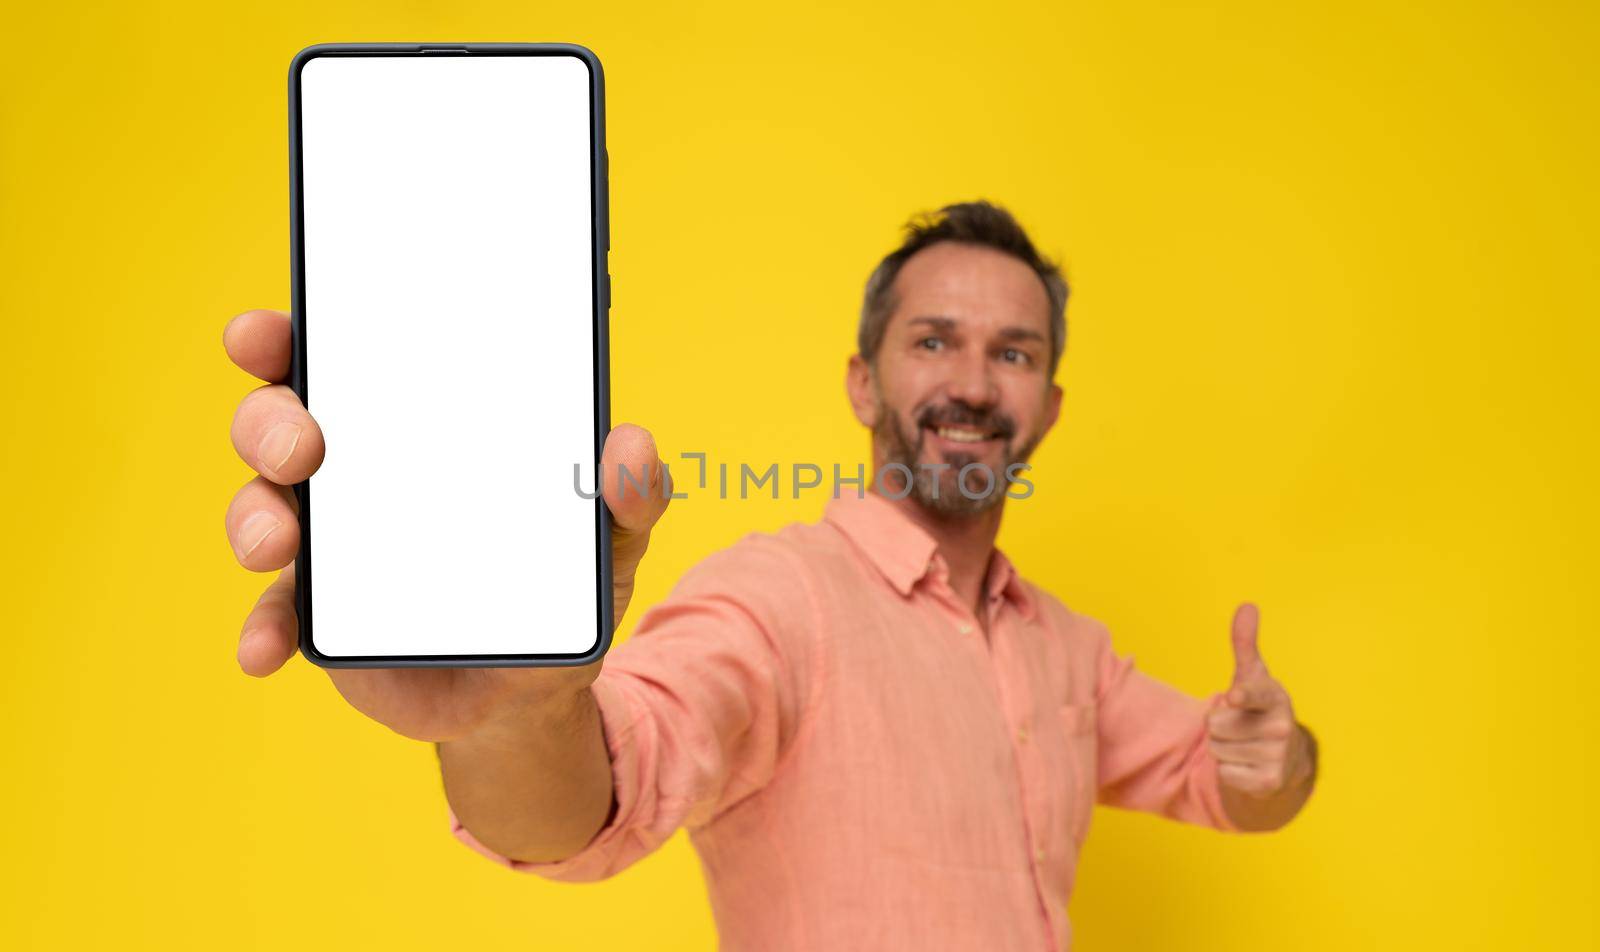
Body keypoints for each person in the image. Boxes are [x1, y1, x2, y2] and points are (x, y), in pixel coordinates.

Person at [223, 200, 1318, 951]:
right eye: (934, 341)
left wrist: (1277, 757)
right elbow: (601, 791)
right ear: (860, 382)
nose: (974, 384)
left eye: (1014, 353)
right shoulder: (776, 603)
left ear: (1051, 405)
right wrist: (509, 716)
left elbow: (1227, 782)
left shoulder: (1069, 648)